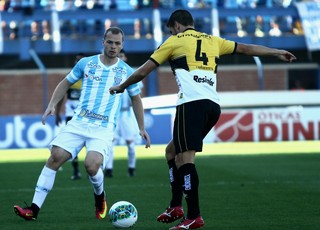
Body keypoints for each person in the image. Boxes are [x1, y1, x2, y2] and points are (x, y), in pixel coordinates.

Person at [109, 9, 296, 230]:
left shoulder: (174, 41)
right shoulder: (213, 40)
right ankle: (175, 206)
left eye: (171, 29)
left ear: (176, 26)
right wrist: (276, 52)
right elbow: (246, 48)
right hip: (212, 106)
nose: (171, 32)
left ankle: (194, 217)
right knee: (171, 152)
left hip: (191, 104)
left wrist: (121, 86)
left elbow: (143, 71)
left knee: (186, 160)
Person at [13, 27, 150, 221]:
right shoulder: (87, 63)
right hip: (78, 122)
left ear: (122, 45)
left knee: (91, 166)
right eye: (109, 42)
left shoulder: (127, 72)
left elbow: (136, 99)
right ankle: (33, 209)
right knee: (55, 157)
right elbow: (65, 83)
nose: (113, 47)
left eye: (117, 43)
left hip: (103, 127)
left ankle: (100, 197)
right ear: (103, 42)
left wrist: (141, 127)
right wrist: (52, 105)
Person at [105, 50, 142, 178]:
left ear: (125, 57)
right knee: (110, 142)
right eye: (118, 56)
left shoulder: (132, 74)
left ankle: (131, 168)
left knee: (130, 142)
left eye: (122, 56)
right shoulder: (109, 73)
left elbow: (137, 96)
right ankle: (108, 170)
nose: (120, 58)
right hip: (113, 114)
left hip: (126, 114)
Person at [55, 53, 85, 180]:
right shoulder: (70, 77)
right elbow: (61, 96)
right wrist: (57, 113)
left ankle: (96, 170)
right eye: (77, 60)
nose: (78, 62)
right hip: (70, 114)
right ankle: (76, 171)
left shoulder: (90, 78)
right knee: (73, 143)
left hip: (86, 115)